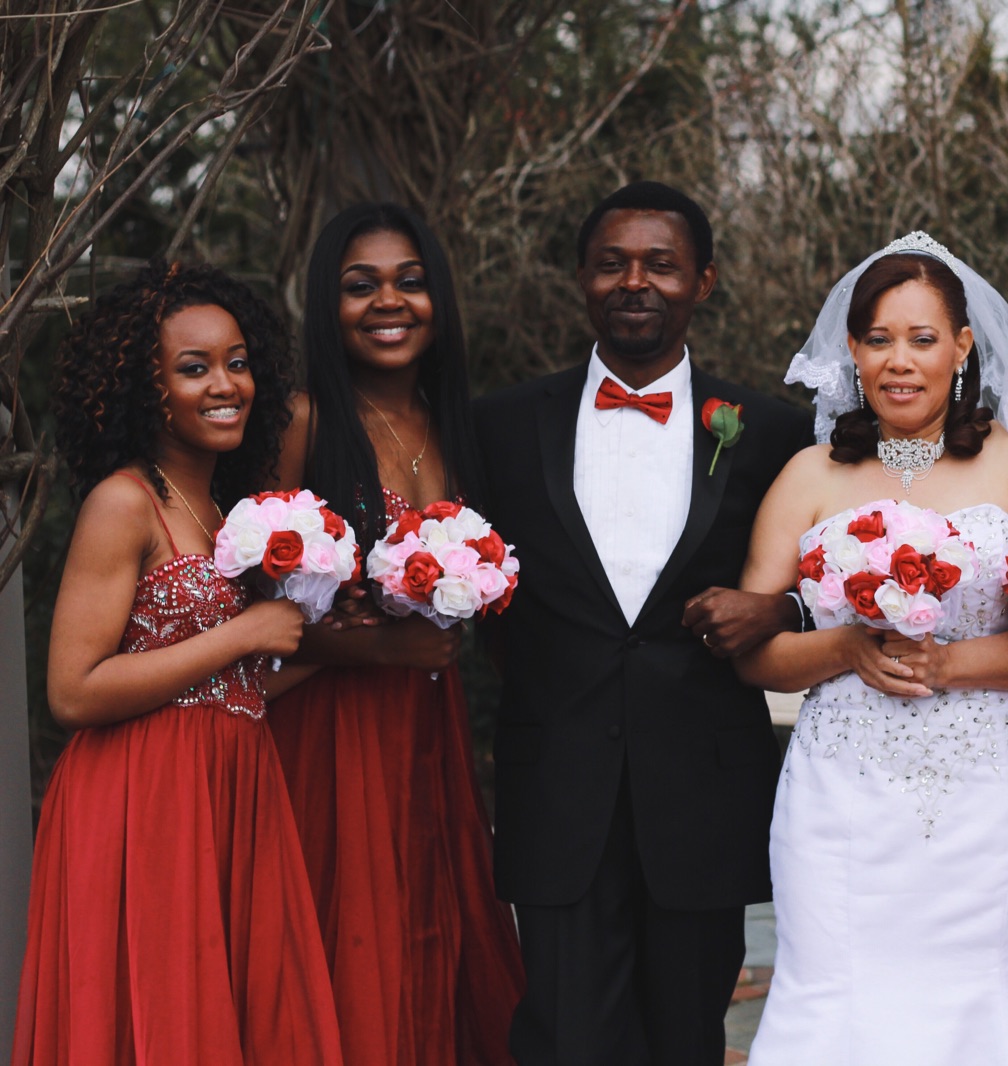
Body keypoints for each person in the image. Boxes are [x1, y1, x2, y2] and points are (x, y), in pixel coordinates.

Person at [475, 180, 814, 1066]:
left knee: (689, 1040)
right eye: (612, 264)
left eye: (660, 265)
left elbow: (826, 580)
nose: (636, 282)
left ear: (702, 281)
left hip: (701, 794)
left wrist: (776, 607)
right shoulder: (500, 427)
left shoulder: (773, 433)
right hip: (557, 788)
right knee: (562, 1040)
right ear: (581, 279)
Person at [737, 233, 1008, 1065]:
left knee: (998, 992)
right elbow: (755, 652)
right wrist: (848, 649)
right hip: (842, 796)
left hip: (994, 787)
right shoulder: (808, 475)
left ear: (963, 347)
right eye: (880, 340)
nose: (900, 361)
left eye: (923, 339)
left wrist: (952, 664)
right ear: (851, 352)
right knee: (837, 992)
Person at [11, 261, 344, 1064]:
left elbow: (226, 686)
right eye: (193, 368)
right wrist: (243, 631)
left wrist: (327, 638)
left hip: (232, 786)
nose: (225, 383)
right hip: (142, 801)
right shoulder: (123, 503)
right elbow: (74, 689)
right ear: (142, 386)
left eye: (236, 362)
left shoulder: (226, 512)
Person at [267, 202, 523, 1066]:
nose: (390, 302)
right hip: (323, 733)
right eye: (360, 285)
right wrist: (369, 646)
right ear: (325, 306)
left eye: (410, 282)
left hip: (429, 722)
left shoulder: (460, 427)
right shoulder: (300, 423)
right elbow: (242, 625)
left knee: (434, 934)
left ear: (438, 299)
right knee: (347, 946)